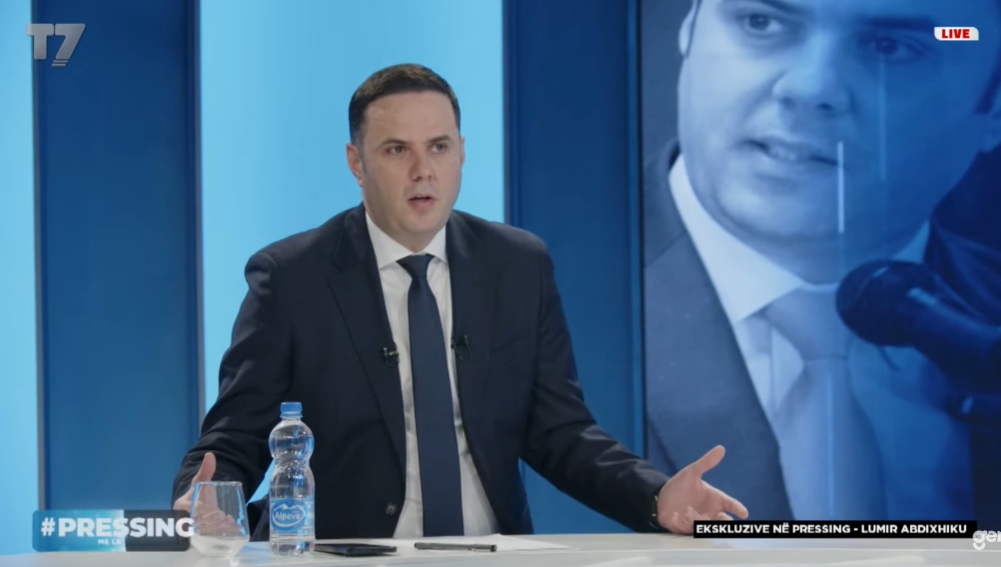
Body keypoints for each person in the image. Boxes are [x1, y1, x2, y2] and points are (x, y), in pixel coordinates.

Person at [172, 63, 748, 540]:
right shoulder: (292, 278)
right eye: (396, 149)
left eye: (439, 147)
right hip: (346, 556)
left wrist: (656, 495)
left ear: (462, 153)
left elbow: (561, 432)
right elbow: (236, 434)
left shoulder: (518, 265)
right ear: (356, 163)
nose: (423, 170)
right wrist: (203, 500)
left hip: (489, 552)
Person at [643, 0, 1001, 523]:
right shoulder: (527, 302)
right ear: (690, 27)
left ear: (994, 107)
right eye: (761, 22)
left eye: (891, 47)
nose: (810, 88)